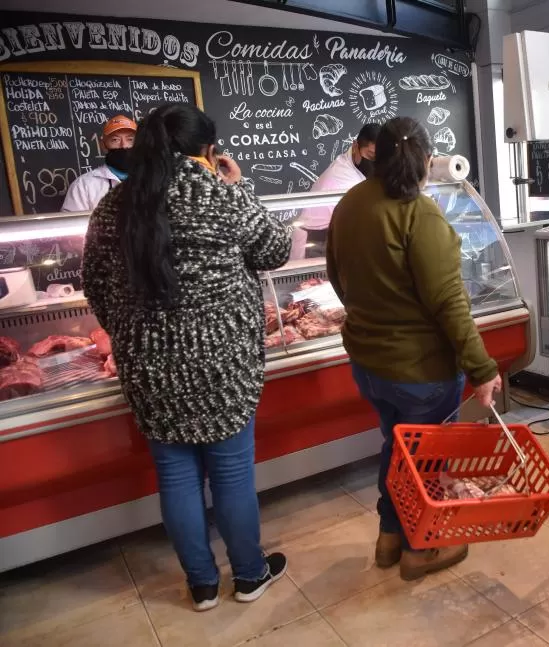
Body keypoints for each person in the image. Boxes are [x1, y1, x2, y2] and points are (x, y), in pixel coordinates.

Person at [82, 103, 292, 612]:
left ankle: (201, 585)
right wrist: (238, 185)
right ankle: (248, 575)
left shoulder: (113, 206)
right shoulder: (218, 193)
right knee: (232, 475)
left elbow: (96, 287)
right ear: (207, 150)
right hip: (223, 363)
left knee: (175, 478)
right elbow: (276, 249)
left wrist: (134, 336)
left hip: (149, 368)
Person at [326, 116, 503, 581]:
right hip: (419, 371)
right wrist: (482, 369)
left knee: (398, 449)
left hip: (369, 364)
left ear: (374, 155)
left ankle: (389, 535)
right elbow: (449, 303)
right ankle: (420, 549)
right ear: (428, 161)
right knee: (424, 459)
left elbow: (334, 274)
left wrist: (371, 317)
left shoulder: (350, 202)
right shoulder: (420, 213)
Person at [295, 123, 380, 258]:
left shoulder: (356, 166)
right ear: (355, 146)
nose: (375, 162)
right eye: (370, 156)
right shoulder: (341, 176)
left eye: (380, 158)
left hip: (337, 234)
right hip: (317, 240)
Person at [62, 114, 137, 212]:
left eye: (130, 140)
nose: (124, 145)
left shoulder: (153, 180)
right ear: (103, 145)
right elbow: (70, 225)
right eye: (115, 140)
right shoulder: (83, 186)